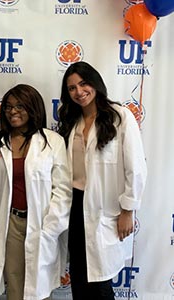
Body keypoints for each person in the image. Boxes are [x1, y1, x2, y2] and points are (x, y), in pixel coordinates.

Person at [57, 61, 147, 299]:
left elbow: (136, 167)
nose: (79, 92)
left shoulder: (120, 117)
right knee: (79, 274)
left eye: (83, 84)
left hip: (105, 208)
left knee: (100, 280)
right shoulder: (71, 123)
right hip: (75, 205)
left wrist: (128, 210)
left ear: (95, 83)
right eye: (72, 88)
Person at [0, 84, 72, 300]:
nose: (13, 111)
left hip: (41, 222)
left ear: (33, 108)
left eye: (20, 106)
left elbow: (63, 189)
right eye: (9, 107)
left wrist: (51, 226)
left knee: (38, 285)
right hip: (10, 223)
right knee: (14, 281)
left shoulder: (52, 141)